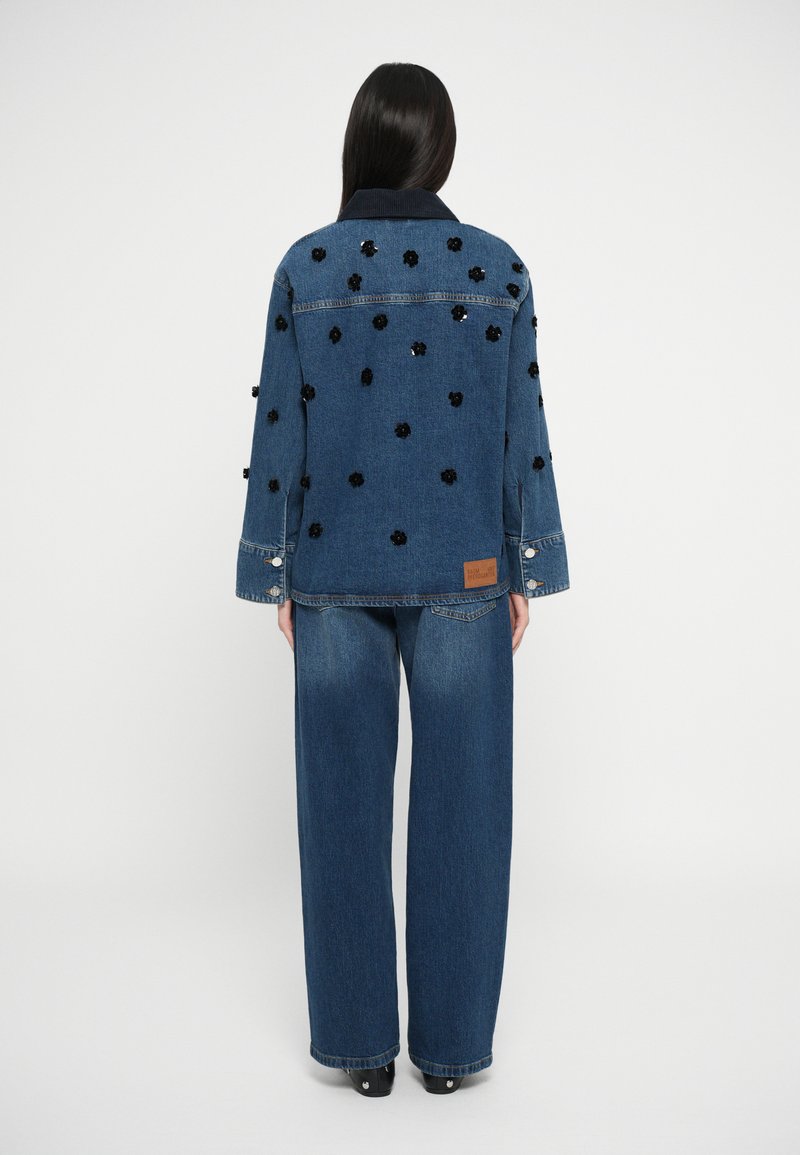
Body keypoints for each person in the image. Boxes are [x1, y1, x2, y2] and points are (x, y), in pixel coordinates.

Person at [235, 61, 570, 1097]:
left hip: (332, 570)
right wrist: (525, 564)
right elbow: (521, 429)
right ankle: (450, 1056)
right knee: (465, 811)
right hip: (465, 569)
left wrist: (276, 571)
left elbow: (277, 430)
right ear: (441, 151)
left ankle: (362, 1052)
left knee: (338, 811)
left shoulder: (306, 266)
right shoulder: (498, 268)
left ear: (361, 146)